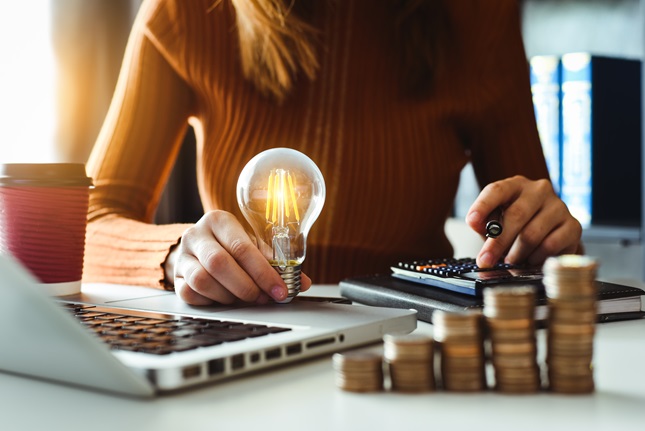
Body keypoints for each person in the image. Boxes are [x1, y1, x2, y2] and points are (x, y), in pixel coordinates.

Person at [84, 0, 583, 306]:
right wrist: (180, 257)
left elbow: (539, 235)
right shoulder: (189, 11)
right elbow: (89, 223)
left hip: (413, 336)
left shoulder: (478, 18)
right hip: (247, 335)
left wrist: (542, 234)